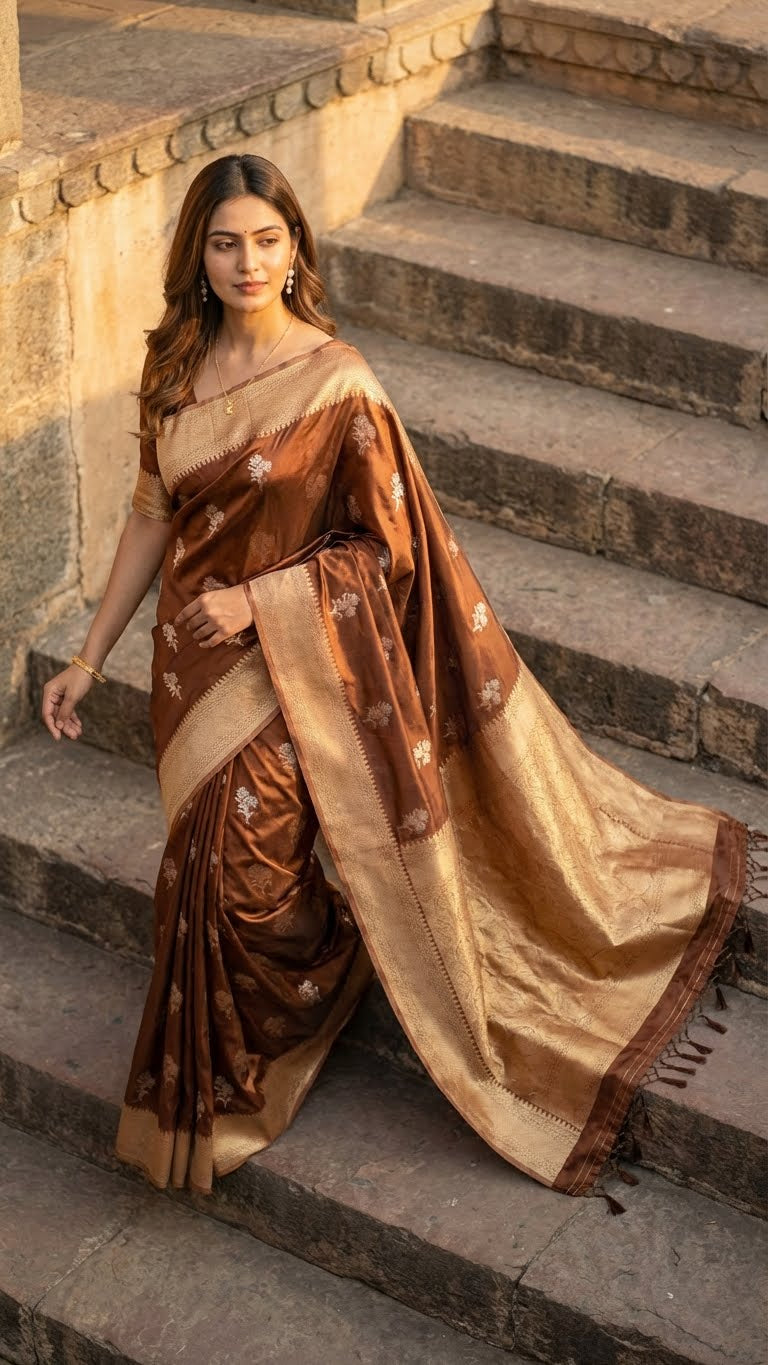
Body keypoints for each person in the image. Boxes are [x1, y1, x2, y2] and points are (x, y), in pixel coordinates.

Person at [41, 154, 759, 1210]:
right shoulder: (171, 369)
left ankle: (315, 984)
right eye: (226, 241)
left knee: (239, 881)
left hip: (286, 663)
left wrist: (259, 602)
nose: (249, 262)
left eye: (269, 240)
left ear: (298, 250)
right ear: (197, 254)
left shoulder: (338, 384)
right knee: (196, 874)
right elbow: (152, 517)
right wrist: (89, 655)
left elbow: (388, 553)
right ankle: (238, 1062)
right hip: (184, 670)